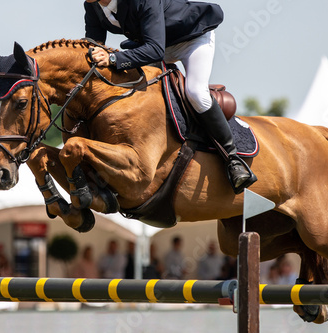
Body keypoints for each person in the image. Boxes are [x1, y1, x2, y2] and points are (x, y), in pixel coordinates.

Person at [83, 0, 257, 193]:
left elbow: (155, 50)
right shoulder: (92, 6)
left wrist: (114, 58)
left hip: (191, 39)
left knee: (196, 92)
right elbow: (93, 45)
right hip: (153, 45)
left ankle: (233, 159)